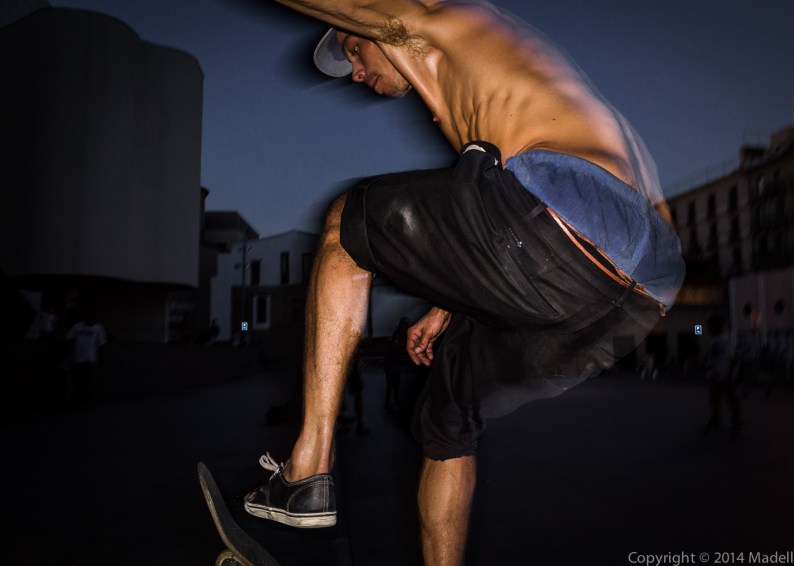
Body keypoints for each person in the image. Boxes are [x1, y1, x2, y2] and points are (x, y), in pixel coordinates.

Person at [242, 2, 685, 565]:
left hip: (569, 207)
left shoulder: (433, 16)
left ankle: (307, 469)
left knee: (344, 225)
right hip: (637, 289)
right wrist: (447, 305)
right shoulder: (511, 85)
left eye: (356, 50)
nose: (356, 73)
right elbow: (499, 228)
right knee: (447, 418)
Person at [702, 314, 742, 436]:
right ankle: (715, 420)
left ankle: (736, 423)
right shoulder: (715, 340)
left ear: (716, 326)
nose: (708, 329)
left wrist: (730, 374)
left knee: (729, 399)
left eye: (710, 326)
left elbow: (733, 357)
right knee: (715, 400)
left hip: (724, 375)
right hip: (715, 375)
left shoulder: (724, 340)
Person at [64, 308, 107, 405]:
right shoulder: (77, 327)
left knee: (86, 381)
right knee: (77, 380)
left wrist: (102, 358)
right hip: (76, 358)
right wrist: (66, 356)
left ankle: (84, 400)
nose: (91, 320)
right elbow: (68, 341)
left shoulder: (98, 328)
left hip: (89, 359)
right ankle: (78, 399)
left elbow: (101, 344)